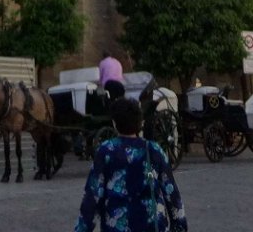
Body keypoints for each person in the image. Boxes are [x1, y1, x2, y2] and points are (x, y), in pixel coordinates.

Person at [74, 97, 186, 232]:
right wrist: (179, 226)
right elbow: (172, 195)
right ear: (139, 122)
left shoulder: (106, 151)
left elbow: (92, 197)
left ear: (115, 123)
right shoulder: (154, 150)